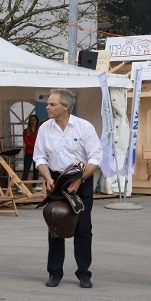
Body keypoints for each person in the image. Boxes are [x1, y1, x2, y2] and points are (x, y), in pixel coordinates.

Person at [33, 89, 101, 289]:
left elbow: (95, 157)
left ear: (66, 107)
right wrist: (46, 177)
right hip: (55, 179)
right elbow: (39, 156)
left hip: (81, 179)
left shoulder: (84, 127)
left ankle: (83, 273)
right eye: (48, 104)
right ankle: (54, 272)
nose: (48, 107)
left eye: (52, 104)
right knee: (56, 225)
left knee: (83, 228)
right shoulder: (45, 128)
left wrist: (80, 179)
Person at [22, 113, 40, 180]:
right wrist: (36, 146)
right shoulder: (26, 131)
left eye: (34, 120)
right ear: (29, 121)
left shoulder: (39, 131)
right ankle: (23, 186)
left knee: (36, 171)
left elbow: (41, 141)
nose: (32, 121)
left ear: (36, 121)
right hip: (28, 153)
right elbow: (27, 142)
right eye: (31, 120)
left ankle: (34, 186)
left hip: (37, 153)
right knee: (26, 170)